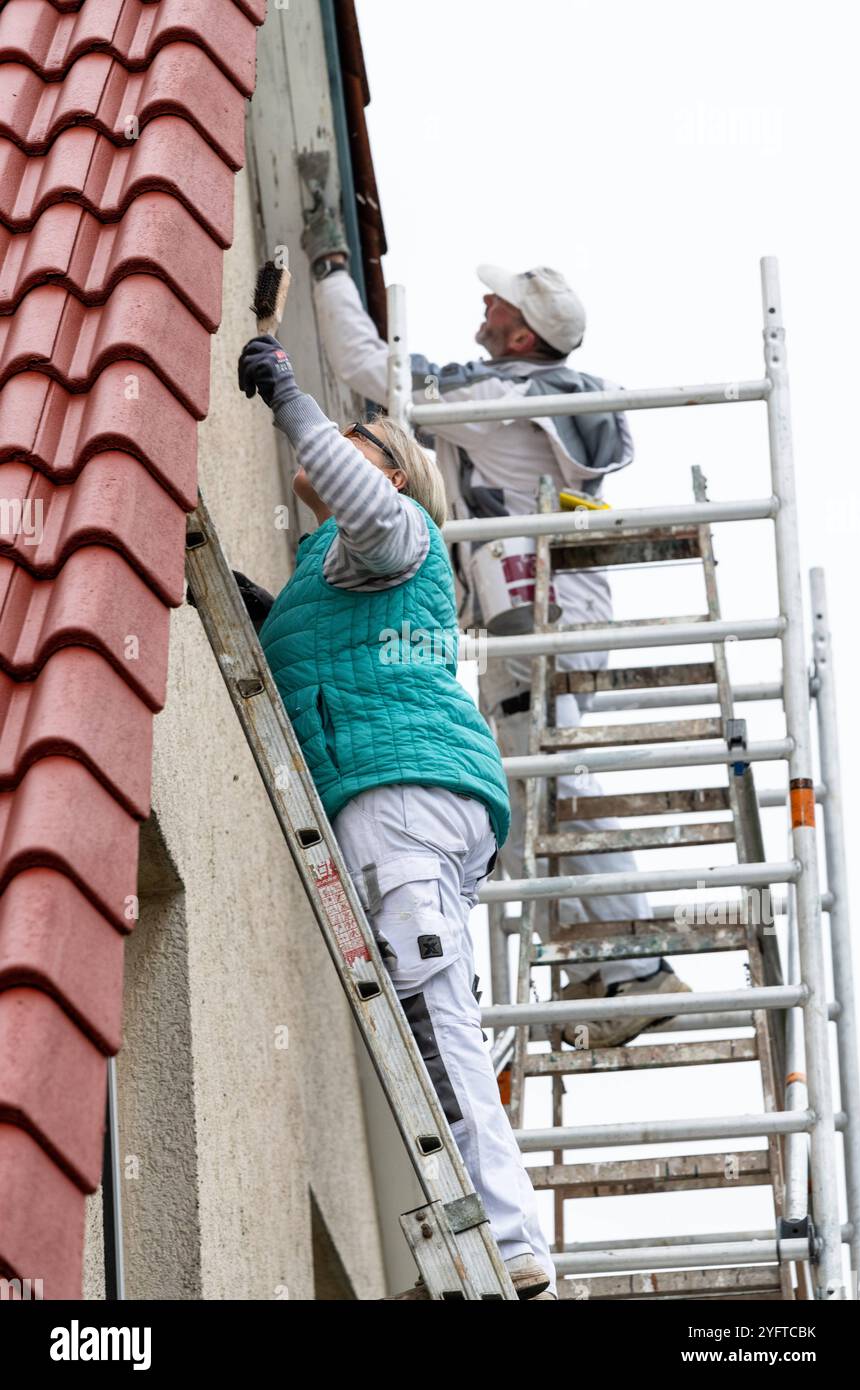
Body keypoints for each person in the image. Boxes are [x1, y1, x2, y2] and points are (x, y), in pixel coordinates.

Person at [300, 218, 691, 1049]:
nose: (483, 302)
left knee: (556, 783)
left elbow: (375, 373)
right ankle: (612, 959)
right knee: (530, 784)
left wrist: (331, 270)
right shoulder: (543, 403)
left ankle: (641, 962)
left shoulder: (504, 399)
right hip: (552, 610)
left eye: (498, 301)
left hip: (535, 615)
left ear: (521, 333)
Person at [236, 332, 557, 1299]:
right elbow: (325, 656)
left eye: (355, 440)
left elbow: (366, 494)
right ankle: (480, 1242)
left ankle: (504, 1243)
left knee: (433, 1013)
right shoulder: (333, 572)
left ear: (395, 474)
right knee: (428, 1016)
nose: (327, 444)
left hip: (403, 804)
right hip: (415, 805)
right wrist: (263, 613)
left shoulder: (397, 528)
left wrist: (291, 395)